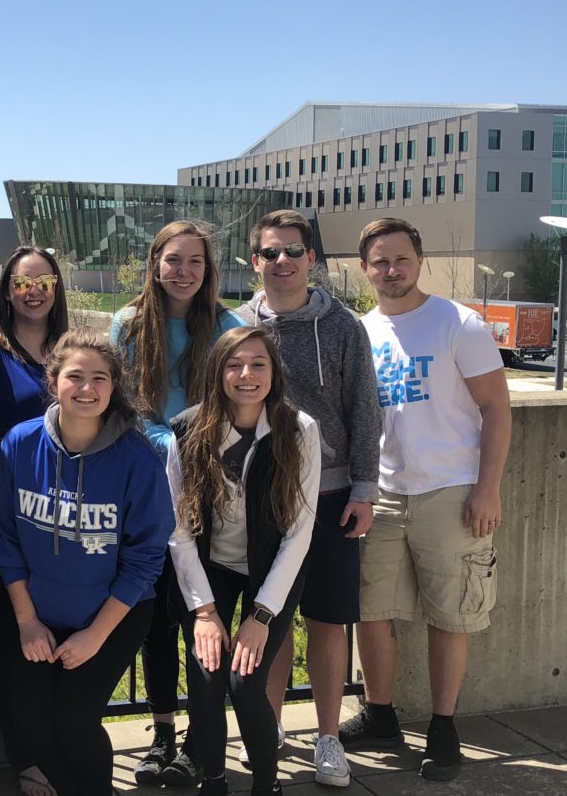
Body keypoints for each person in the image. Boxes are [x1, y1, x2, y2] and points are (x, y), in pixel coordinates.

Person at [344, 218, 510, 781]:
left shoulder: (458, 324)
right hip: (383, 493)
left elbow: (496, 409)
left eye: (401, 259)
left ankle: (443, 725)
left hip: (452, 490)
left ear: (419, 260)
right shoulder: (360, 330)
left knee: (450, 615)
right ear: (364, 269)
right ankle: (380, 713)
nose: (391, 270)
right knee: (371, 611)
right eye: (379, 262)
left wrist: (487, 488)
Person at [0, 327, 174, 796]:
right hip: (40, 614)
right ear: (53, 382)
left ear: (114, 387)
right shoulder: (18, 444)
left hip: (112, 614)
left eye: (100, 378)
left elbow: (146, 559)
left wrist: (95, 635)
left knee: (74, 720)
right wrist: (28, 622)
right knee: (30, 721)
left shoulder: (138, 458)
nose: (87, 388)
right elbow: (6, 540)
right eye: (75, 376)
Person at [237, 209, 381, 787]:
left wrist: (365, 489)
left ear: (312, 259)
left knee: (328, 620)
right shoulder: (236, 326)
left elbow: (365, 413)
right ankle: (267, 725)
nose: (283, 262)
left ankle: (326, 738)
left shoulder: (344, 327)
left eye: (294, 251)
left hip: (332, 493)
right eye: (271, 253)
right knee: (268, 618)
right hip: (264, 494)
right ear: (255, 261)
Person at [109, 220, 245, 786]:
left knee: (201, 619)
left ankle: (200, 737)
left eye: (195, 261)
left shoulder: (229, 327)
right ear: (155, 263)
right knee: (155, 622)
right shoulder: (127, 324)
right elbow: (119, 404)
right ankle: (162, 732)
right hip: (145, 491)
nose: (183, 271)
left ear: (208, 269)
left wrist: (191, 441)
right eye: (173, 260)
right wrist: (165, 440)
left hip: (208, 492)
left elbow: (242, 400)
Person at [168, 325, 321, 796]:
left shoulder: (299, 430)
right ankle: (213, 780)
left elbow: (299, 533)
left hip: (269, 568)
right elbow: (178, 532)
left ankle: (266, 784)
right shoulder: (187, 429)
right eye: (234, 365)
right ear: (217, 373)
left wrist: (260, 615)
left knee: (245, 679)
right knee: (207, 673)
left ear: (274, 373)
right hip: (208, 568)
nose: (246, 374)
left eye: (258, 364)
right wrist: (205, 613)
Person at [0, 246, 69, 796]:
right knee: (11, 648)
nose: (33, 290)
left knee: (61, 643)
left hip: (66, 524)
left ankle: (61, 749)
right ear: (7, 291)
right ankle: (27, 762)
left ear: (57, 289)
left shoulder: (70, 350)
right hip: (5, 521)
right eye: (22, 282)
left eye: (44, 281)